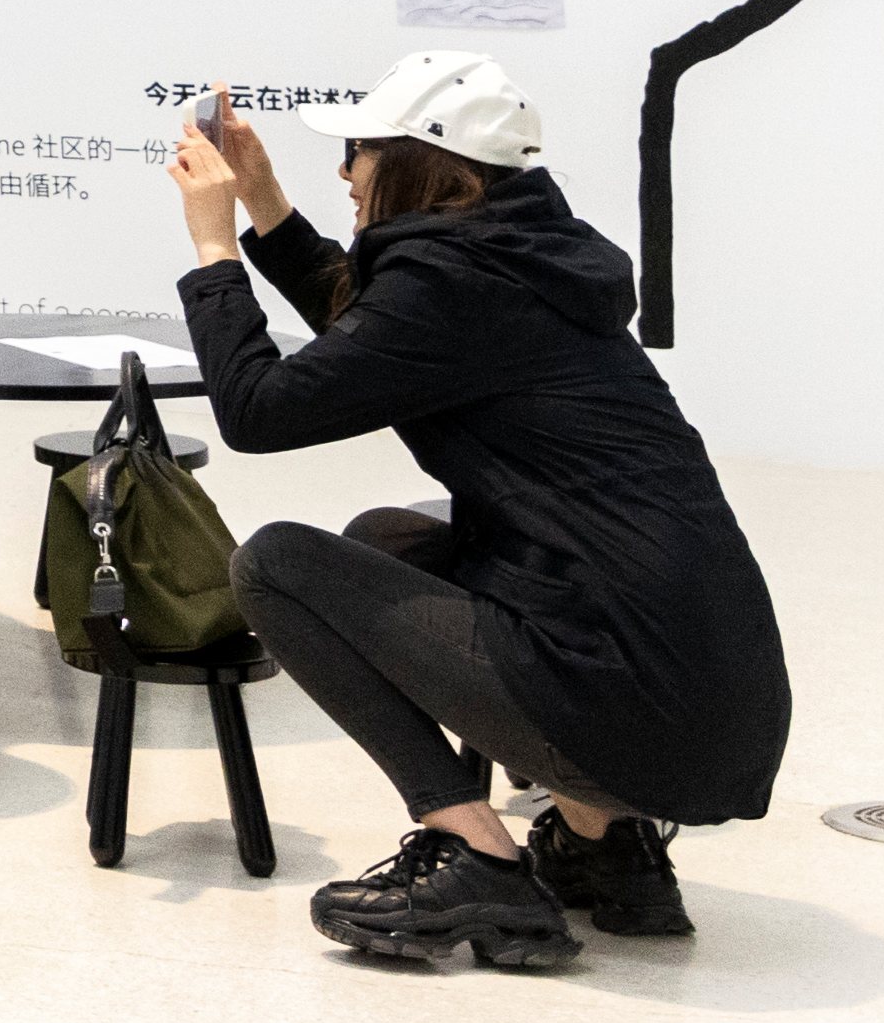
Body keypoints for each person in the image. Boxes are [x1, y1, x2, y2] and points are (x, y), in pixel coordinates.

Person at [168, 51, 792, 973]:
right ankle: (607, 847)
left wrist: (217, 248)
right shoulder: (520, 257)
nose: (345, 171)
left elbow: (258, 412)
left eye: (360, 152)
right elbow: (370, 326)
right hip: (715, 705)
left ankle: (479, 858)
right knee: (391, 542)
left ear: (426, 164)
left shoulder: (450, 285)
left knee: (277, 565)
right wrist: (265, 200)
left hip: (636, 705)